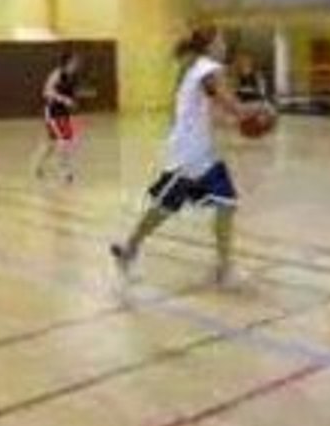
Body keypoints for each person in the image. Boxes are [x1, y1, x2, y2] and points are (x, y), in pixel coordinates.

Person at [110, 28, 254, 286]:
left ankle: (224, 267)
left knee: (225, 203)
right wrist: (256, 111)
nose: (224, 44)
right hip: (189, 154)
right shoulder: (208, 68)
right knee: (165, 208)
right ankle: (129, 249)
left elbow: (211, 112)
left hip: (200, 151)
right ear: (209, 45)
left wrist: (235, 121)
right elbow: (229, 104)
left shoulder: (197, 68)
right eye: (220, 40)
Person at [33, 51, 81, 183]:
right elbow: (46, 92)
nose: (76, 64)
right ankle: (64, 171)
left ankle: (38, 166)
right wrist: (63, 99)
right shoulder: (57, 74)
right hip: (53, 112)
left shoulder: (74, 77)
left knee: (52, 144)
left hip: (64, 113)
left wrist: (72, 101)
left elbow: (71, 94)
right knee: (64, 141)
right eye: (74, 61)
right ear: (67, 62)